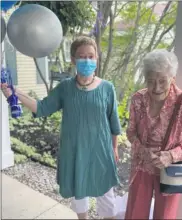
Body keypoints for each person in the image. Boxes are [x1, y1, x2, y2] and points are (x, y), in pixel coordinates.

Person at [1, 36, 122, 219]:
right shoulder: (65, 88)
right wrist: (15, 92)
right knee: (79, 193)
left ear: (97, 58)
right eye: (82, 56)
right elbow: (41, 108)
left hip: (101, 153)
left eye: (91, 56)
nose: (87, 60)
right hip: (74, 153)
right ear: (73, 59)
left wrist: (114, 148)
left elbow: (114, 121)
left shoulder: (107, 88)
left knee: (106, 197)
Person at [124, 49, 182, 219]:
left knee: (165, 217)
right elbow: (130, 132)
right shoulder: (138, 99)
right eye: (151, 81)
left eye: (162, 81)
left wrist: (170, 155)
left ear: (172, 79)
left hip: (170, 168)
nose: (156, 87)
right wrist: (143, 151)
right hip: (142, 165)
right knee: (135, 214)